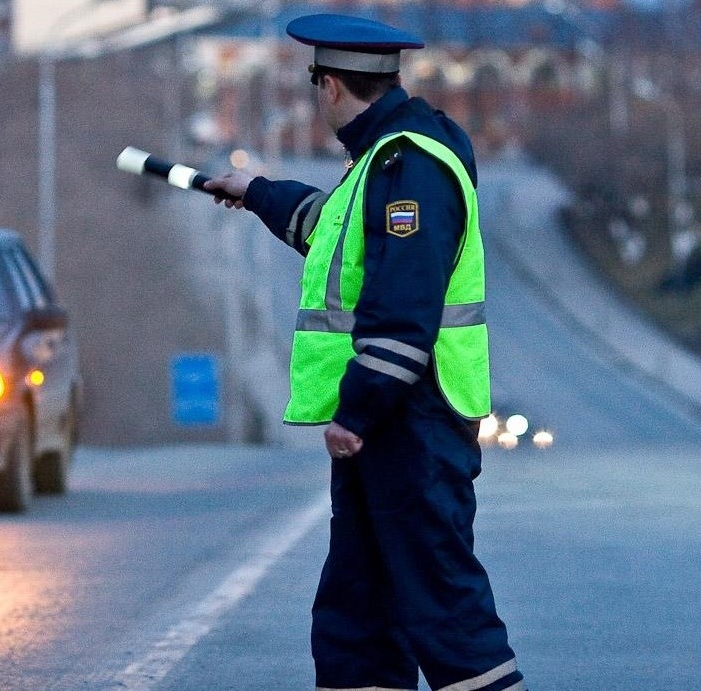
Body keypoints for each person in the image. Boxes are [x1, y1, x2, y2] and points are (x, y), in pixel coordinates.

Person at [203, 13, 525, 691]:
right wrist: (256, 192)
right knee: (357, 621)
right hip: (391, 432)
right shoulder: (380, 164)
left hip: (411, 422)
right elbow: (332, 233)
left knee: (446, 615)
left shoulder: (410, 165)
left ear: (327, 86)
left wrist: (357, 412)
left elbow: (401, 305)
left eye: (314, 82)